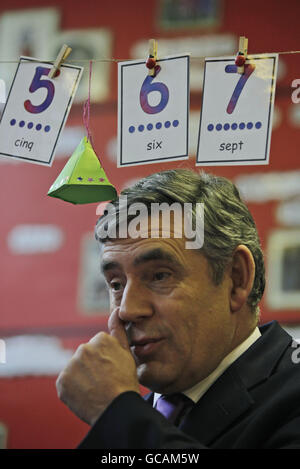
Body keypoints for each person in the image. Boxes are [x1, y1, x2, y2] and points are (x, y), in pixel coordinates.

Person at [56, 169, 300, 449]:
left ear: (236, 278)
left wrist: (117, 413)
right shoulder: (136, 416)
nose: (127, 310)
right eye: (115, 284)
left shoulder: (123, 417)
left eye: (159, 276)